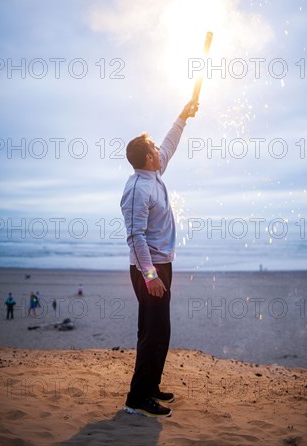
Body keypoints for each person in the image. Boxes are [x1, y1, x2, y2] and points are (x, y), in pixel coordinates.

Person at [120, 99, 198, 418]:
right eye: (153, 148)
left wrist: (183, 115)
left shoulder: (153, 172)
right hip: (148, 270)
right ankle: (137, 399)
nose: (158, 150)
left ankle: (149, 387)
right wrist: (151, 277)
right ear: (149, 158)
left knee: (154, 331)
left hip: (160, 265)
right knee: (155, 332)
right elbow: (135, 237)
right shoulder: (138, 188)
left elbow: (169, 143)